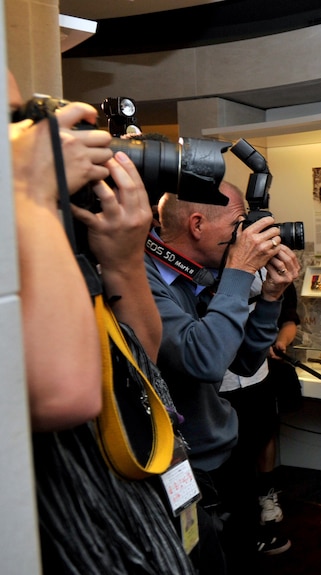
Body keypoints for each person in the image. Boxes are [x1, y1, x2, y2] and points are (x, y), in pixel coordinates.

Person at [9, 71, 194, 573]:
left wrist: (124, 260)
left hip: (121, 501)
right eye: (9, 122)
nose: (25, 135)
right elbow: (66, 396)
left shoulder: (34, 215)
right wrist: (26, 193)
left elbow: (143, 359)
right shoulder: (26, 210)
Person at [147, 182, 300, 568]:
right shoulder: (143, 281)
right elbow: (206, 361)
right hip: (182, 465)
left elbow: (244, 362)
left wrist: (270, 298)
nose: (243, 236)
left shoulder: (194, 274)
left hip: (221, 452)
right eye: (237, 225)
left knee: (240, 551)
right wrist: (239, 269)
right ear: (197, 225)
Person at [219, 270, 301, 556]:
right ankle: (236, 534)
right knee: (231, 459)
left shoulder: (271, 272)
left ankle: (258, 515)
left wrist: (276, 341)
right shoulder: (204, 272)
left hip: (257, 377)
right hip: (219, 383)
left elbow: (287, 319)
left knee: (263, 433)